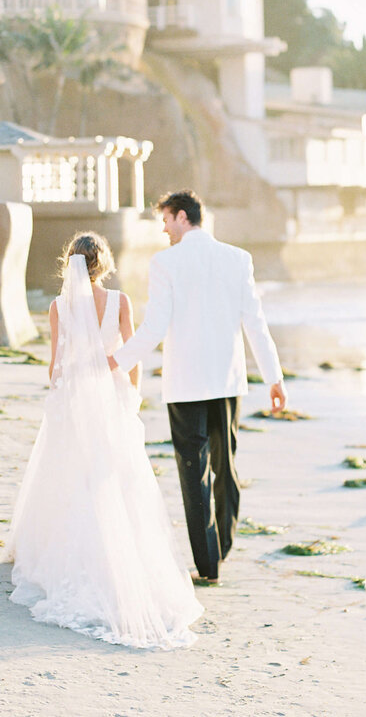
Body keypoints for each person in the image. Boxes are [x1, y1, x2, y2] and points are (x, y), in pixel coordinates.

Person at [8, 231, 202, 649]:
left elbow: (56, 365)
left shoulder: (60, 307)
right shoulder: (120, 303)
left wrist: (64, 387)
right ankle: (125, 560)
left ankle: (70, 561)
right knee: (118, 481)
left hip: (75, 401)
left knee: (70, 480)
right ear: (103, 264)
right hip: (112, 398)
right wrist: (131, 394)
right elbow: (131, 354)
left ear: (71, 263)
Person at [110, 191, 286, 586]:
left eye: (166, 220)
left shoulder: (165, 263)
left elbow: (154, 327)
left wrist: (116, 361)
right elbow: (255, 323)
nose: (163, 229)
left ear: (182, 216)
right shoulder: (238, 259)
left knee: (194, 475)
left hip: (186, 384)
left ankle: (208, 565)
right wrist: (274, 378)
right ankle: (220, 547)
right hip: (227, 382)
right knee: (226, 468)